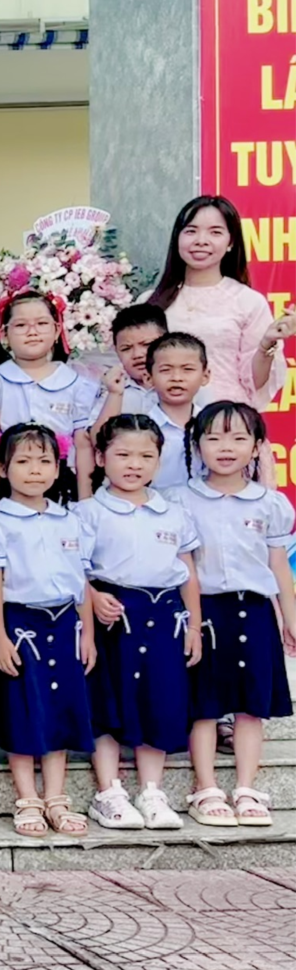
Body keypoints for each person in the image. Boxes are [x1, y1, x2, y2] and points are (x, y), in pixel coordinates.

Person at [81, 413, 203, 832]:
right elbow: (72, 568)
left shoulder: (173, 513)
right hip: (113, 615)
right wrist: (93, 597)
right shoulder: (87, 512)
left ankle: (152, 791)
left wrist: (193, 625)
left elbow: (188, 572)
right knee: (109, 700)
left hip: (164, 615)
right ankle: (109, 791)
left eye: (146, 456)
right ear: (101, 457)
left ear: (158, 460)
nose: (134, 464)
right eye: (123, 455)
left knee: (160, 699)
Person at [177, 402, 296, 829]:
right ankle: (206, 787)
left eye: (239, 438)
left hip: (256, 611)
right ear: (197, 446)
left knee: (251, 706)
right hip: (205, 610)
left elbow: (278, 565)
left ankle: (247, 788)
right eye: (213, 438)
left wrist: (290, 617)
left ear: (258, 446)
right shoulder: (180, 501)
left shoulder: (271, 504)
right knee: (205, 704)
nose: (226, 448)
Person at [0, 423, 95, 838]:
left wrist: (87, 633)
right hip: (20, 623)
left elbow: (81, 581)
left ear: (58, 467)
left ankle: (57, 797)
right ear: (2, 468)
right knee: (23, 707)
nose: (34, 470)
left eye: (44, 461)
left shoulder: (70, 520)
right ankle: (27, 797)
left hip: (63, 623)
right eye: (23, 461)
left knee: (61, 709)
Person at [143, 194, 296, 409]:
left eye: (215, 232)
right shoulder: (149, 302)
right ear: (177, 238)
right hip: (160, 420)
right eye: (191, 231)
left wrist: (267, 343)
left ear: (230, 242)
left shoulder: (248, 301)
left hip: (224, 420)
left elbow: (255, 382)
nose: (201, 240)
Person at [0, 289, 101, 500]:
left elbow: (83, 445)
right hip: (8, 484)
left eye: (42, 323)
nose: (32, 332)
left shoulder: (78, 385)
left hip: (61, 484)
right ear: (3, 334)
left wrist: (85, 499)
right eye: (21, 325)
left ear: (57, 330)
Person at [142, 332, 212, 490]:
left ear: (205, 376)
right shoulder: (139, 429)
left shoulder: (214, 426)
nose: (177, 378)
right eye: (166, 370)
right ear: (148, 377)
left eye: (187, 369)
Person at [97, 303, 170, 423]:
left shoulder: (190, 385)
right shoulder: (109, 387)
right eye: (126, 348)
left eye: (147, 344)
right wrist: (114, 395)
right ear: (116, 351)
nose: (137, 354)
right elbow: (97, 434)